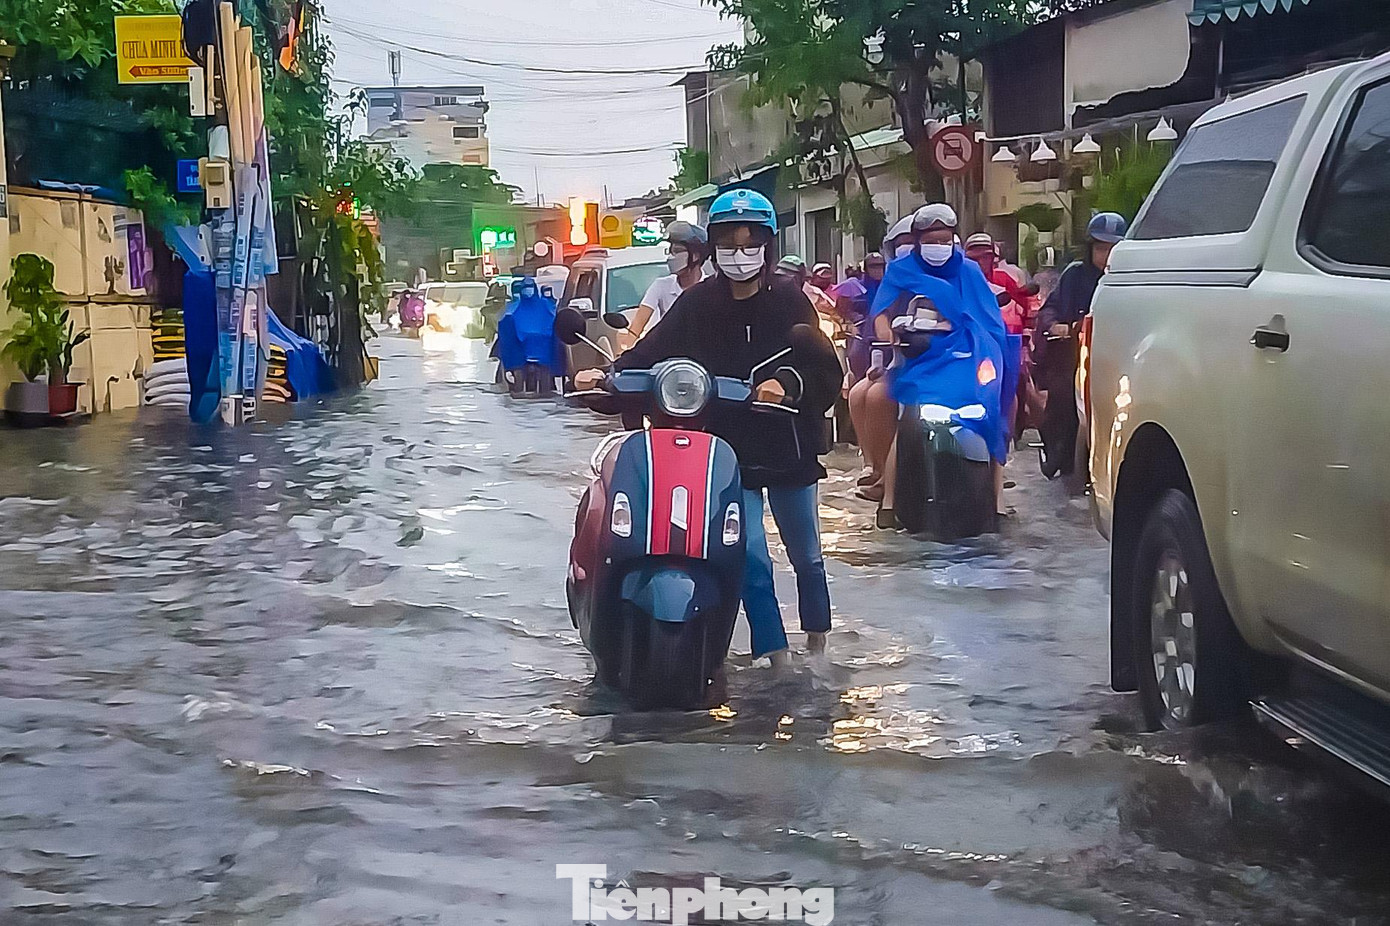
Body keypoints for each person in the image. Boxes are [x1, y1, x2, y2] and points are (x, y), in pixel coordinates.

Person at [575, 189, 843, 663]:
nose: (739, 253)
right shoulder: (697, 302)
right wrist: (609, 374)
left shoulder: (790, 301)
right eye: (728, 242)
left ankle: (818, 641)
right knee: (752, 558)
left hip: (787, 447)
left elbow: (822, 366)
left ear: (768, 245)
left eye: (750, 241)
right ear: (713, 247)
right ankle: (775, 655)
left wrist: (786, 385)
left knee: (807, 556)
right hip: (724, 452)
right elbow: (650, 351)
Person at [851, 204, 1012, 525]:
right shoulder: (901, 270)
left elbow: (988, 322)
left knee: (994, 407)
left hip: (966, 360)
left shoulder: (967, 271)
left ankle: (997, 500)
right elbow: (881, 314)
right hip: (917, 361)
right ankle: (889, 501)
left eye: (944, 239)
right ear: (919, 239)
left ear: (953, 239)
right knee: (907, 416)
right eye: (931, 240)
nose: (938, 246)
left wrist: (988, 351)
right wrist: (892, 336)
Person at [1034, 212, 1127, 479]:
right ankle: (1056, 452)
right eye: (1100, 248)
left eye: (1113, 249)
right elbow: (1049, 309)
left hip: (1117, 358)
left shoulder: (1130, 279)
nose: (1106, 255)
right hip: (1076, 358)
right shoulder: (1074, 275)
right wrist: (1056, 326)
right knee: (1062, 397)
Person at [624, 221, 710, 345]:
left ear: (695, 256)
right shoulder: (661, 286)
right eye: (670, 251)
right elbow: (638, 325)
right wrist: (627, 349)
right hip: (669, 357)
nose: (671, 256)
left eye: (677, 251)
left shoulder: (711, 288)